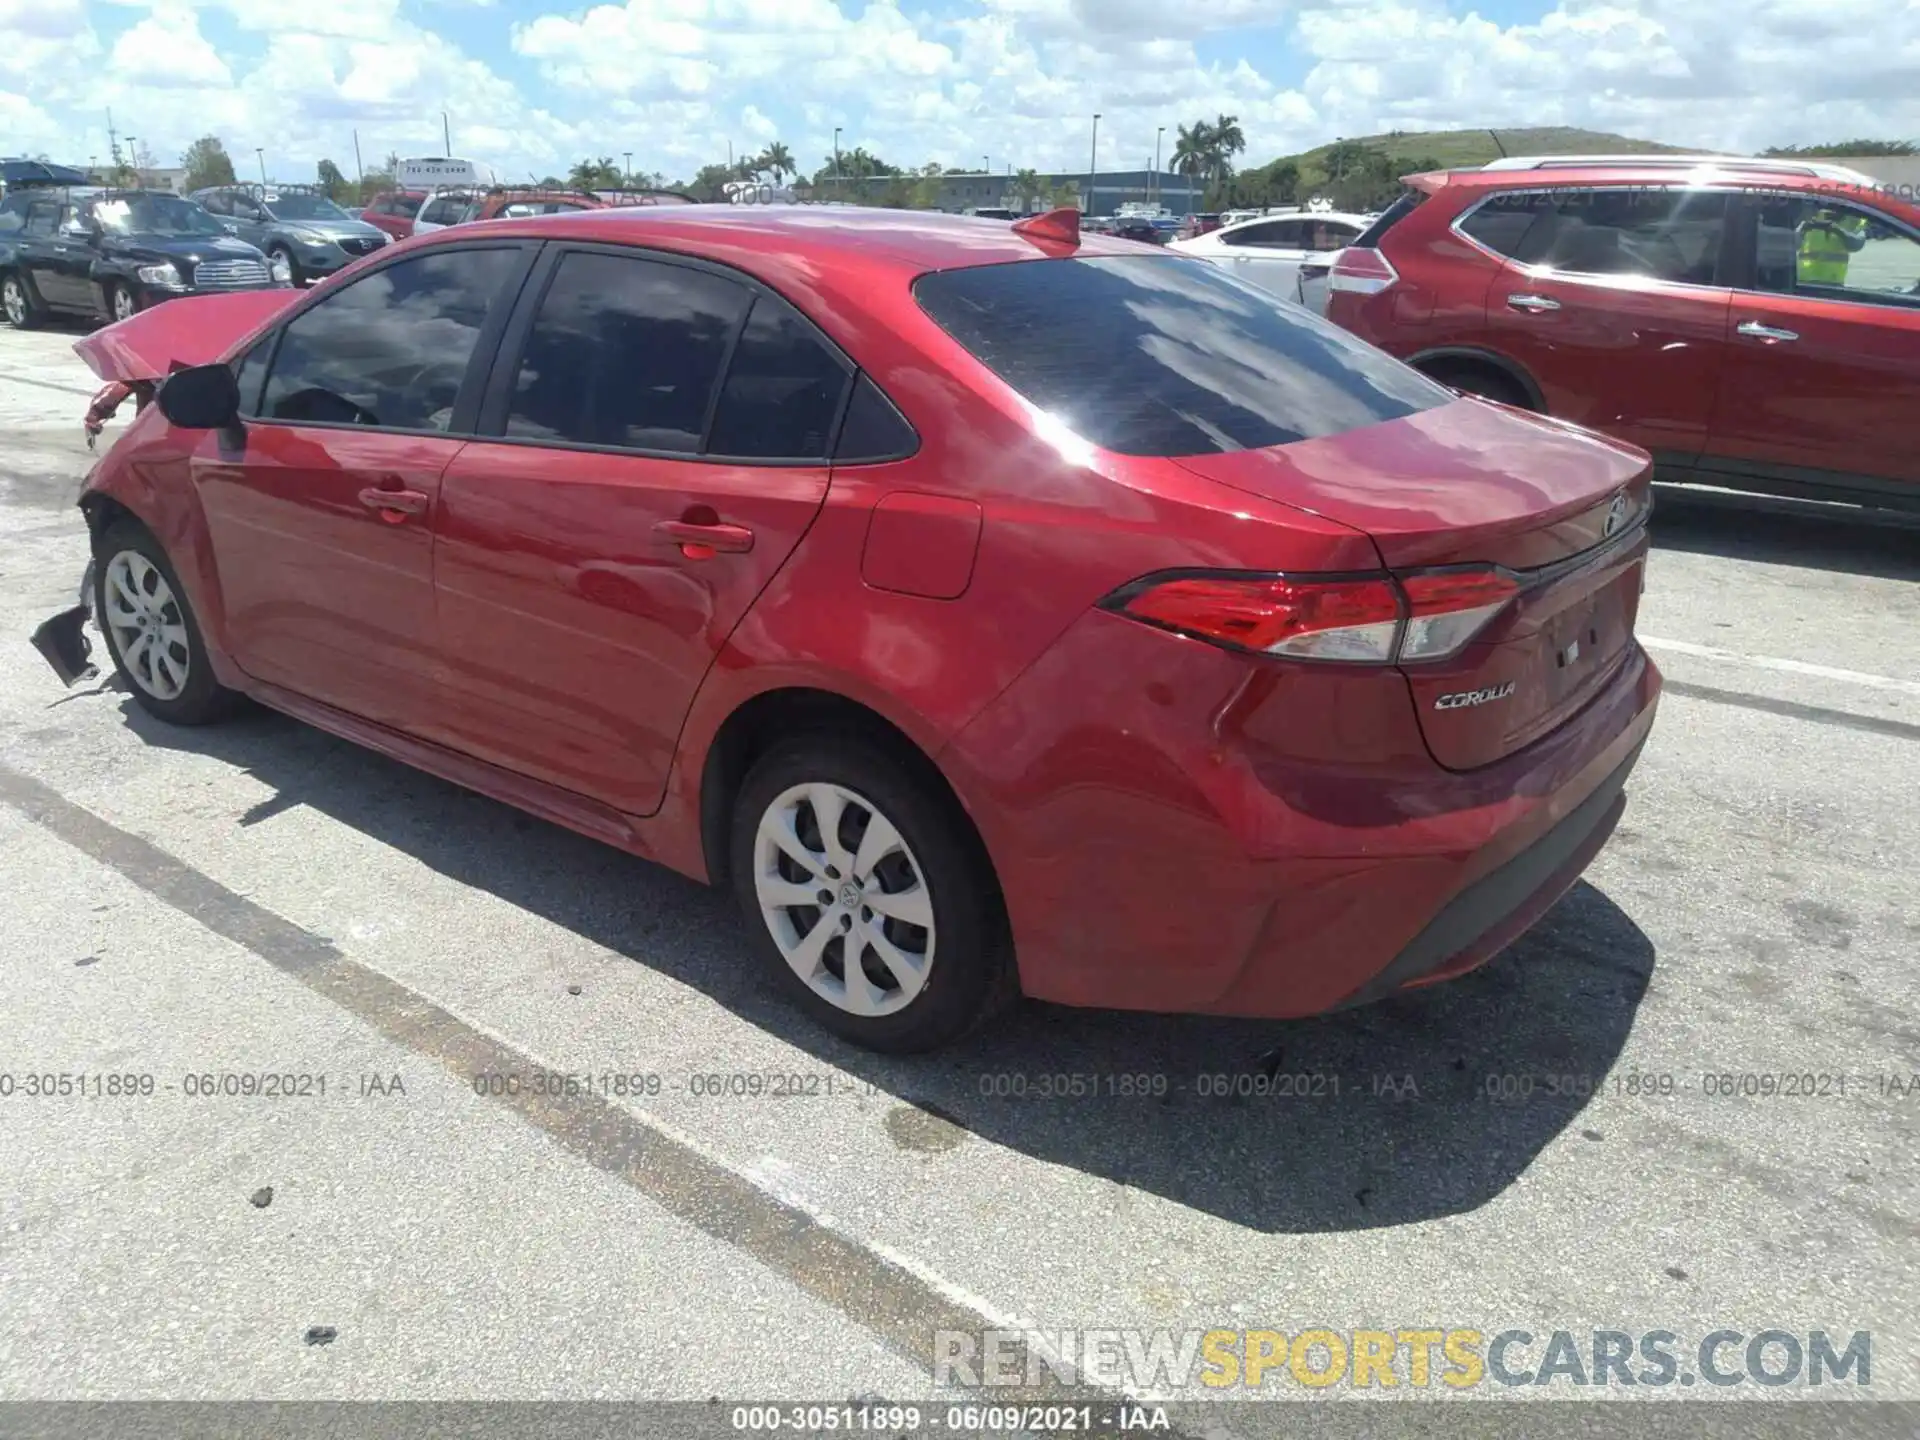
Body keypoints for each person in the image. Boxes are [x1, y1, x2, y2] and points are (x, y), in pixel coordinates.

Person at [1795, 205, 1870, 287]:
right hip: (1804, 282)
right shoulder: (1810, 214)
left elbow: (1857, 244)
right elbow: (1791, 244)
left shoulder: (1854, 219)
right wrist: (1802, 229)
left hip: (1834, 284)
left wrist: (1838, 231)